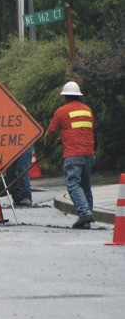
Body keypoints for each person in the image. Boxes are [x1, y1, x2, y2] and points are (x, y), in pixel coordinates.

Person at [44, 81, 96, 229]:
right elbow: (83, 130)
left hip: (73, 154)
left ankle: (85, 213)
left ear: (65, 96)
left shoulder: (61, 111)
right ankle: (87, 217)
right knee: (86, 187)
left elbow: (49, 133)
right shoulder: (87, 110)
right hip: (89, 154)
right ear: (78, 96)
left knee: (73, 184)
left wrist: (46, 146)